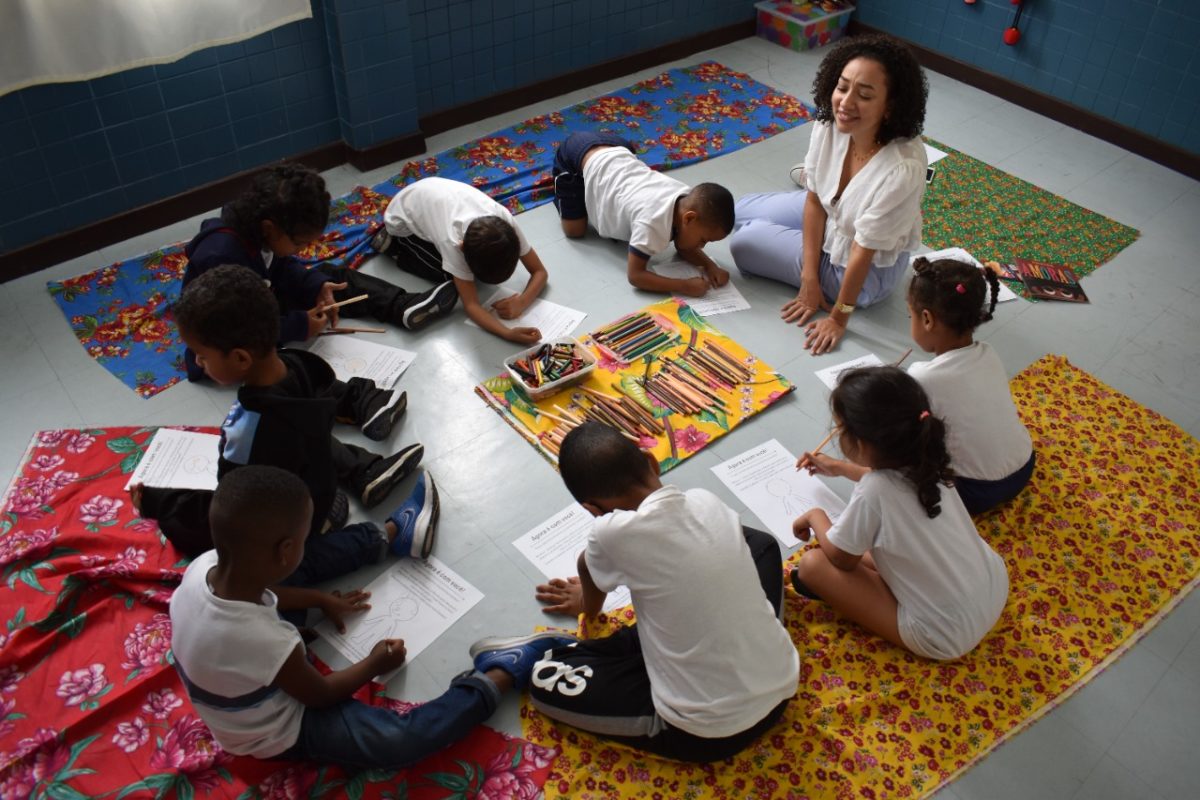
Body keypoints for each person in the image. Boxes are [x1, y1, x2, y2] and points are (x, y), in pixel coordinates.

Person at [169, 464, 577, 767]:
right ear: (284, 550)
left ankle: (393, 535)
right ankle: (500, 674)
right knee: (399, 742)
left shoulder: (204, 566)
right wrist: (375, 662)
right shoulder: (262, 640)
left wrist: (319, 599)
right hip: (280, 729)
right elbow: (320, 695)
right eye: (305, 534)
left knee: (305, 567)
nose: (308, 540)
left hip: (245, 660)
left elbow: (269, 588)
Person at [530, 423, 798, 763]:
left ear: (592, 510)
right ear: (652, 462)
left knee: (543, 676)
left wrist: (585, 603)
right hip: (783, 683)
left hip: (708, 733)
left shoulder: (607, 534)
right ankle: (644, 642)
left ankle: (630, 649)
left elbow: (587, 568)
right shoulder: (706, 499)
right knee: (759, 544)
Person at [135, 266, 434, 566]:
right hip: (318, 491)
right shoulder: (299, 364)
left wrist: (158, 502)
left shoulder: (249, 426)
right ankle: (342, 496)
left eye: (201, 355)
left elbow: (229, 507)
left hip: (291, 520)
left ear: (240, 358)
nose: (198, 362)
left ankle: (390, 535)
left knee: (267, 561)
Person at [729, 34, 929, 355]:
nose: (846, 103)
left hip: (861, 268)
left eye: (864, 95)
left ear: (890, 107)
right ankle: (809, 257)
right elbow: (814, 200)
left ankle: (832, 282)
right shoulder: (830, 123)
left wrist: (838, 318)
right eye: (842, 86)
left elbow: (863, 251)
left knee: (744, 243)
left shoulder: (902, 169)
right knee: (738, 211)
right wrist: (808, 278)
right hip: (834, 212)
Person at [793, 366, 1009, 661]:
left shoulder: (874, 491)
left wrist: (815, 516)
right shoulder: (927, 457)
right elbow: (893, 481)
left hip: (945, 634)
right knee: (881, 545)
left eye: (839, 429)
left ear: (861, 442)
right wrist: (841, 468)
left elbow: (841, 559)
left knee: (812, 565)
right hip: (993, 588)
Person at [182, 163, 458, 374]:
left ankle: (402, 306)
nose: (303, 251)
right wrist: (299, 326)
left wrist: (315, 285)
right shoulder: (220, 257)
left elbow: (280, 266)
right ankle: (359, 401)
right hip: (228, 342)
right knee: (286, 367)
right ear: (270, 228)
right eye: (300, 243)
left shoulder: (257, 232)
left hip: (260, 300)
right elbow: (240, 327)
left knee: (329, 277)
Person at [906, 257, 1034, 515]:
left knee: (897, 472)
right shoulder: (989, 352)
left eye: (910, 316)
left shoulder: (921, 377)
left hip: (976, 491)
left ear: (927, 319)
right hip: (1024, 466)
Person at [551, 131, 733, 298]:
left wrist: (711, 266)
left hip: (618, 148)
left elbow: (683, 246)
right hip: (576, 153)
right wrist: (684, 286)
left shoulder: (685, 200)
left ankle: (593, 186)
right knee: (574, 231)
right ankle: (567, 185)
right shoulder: (652, 222)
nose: (701, 246)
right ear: (689, 218)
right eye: (703, 240)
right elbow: (636, 276)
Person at [370, 177, 549, 345]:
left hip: (432, 196)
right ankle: (394, 247)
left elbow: (540, 272)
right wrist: (507, 333)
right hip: (402, 220)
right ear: (463, 248)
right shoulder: (453, 241)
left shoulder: (505, 223)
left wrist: (522, 302)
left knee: (459, 276)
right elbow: (471, 305)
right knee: (446, 275)